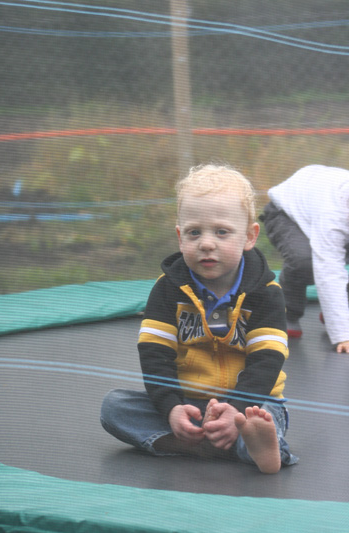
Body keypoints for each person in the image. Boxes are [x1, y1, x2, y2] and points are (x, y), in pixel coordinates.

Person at [101, 164, 298, 474]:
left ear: (249, 236)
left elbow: (267, 361)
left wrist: (235, 408)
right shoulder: (168, 289)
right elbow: (155, 354)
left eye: (222, 231)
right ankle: (202, 443)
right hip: (189, 403)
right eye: (195, 232)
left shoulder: (266, 293)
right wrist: (171, 408)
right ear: (180, 238)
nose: (207, 243)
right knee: (115, 408)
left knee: (263, 419)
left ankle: (260, 445)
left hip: (251, 402)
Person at [262, 165, 349, 353]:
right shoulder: (333, 214)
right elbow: (329, 271)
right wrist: (343, 334)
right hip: (286, 213)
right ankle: (287, 311)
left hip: (315, 201)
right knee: (304, 261)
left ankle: (340, 311)